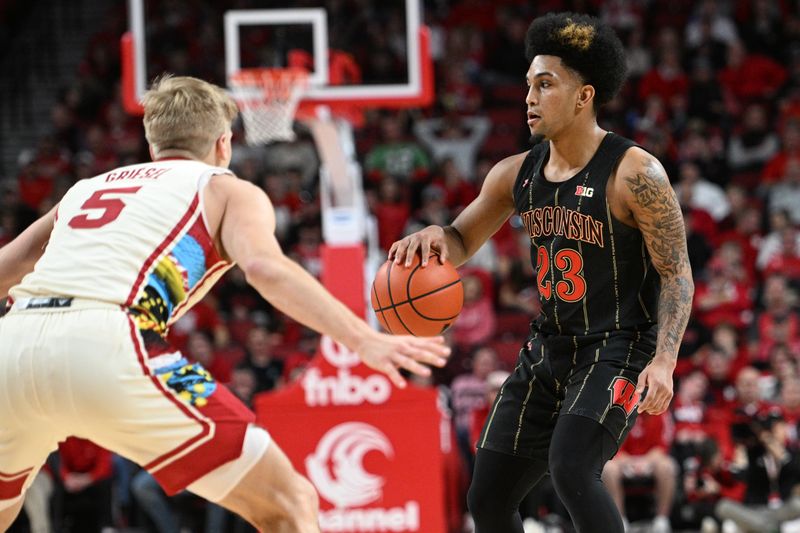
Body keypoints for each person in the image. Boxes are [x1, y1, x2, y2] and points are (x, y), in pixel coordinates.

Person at [0, 75, 450, 533]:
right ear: (224, 143)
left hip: (11, 344)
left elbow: (4, 270)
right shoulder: (225, 188)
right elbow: (265, 269)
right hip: (109, 340)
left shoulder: (84, 191)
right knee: (289, 503)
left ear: (153, 144)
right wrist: (362, 338)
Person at [390, 12, 693, 533]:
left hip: (619, 345)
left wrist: (664, 360)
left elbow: (677, 272)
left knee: (573, 467)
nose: (530, 96)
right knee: (487, 496)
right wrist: (436, 236)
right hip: (550, 345)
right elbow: (461, 240)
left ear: (584, 96)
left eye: (545, 84)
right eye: (528, 84)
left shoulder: (634, 172)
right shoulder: (514, 173)